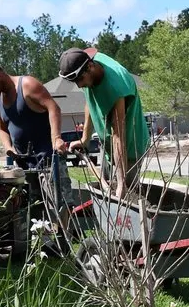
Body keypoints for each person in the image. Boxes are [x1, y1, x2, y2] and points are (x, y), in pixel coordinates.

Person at [0, 61, 72, 227]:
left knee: (59, 205)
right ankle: (41, 244)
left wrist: (56, 137)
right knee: (31, 209)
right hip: (24, 166)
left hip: (48, 159)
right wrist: (8, 148)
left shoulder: (27, 85)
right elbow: (3, 129)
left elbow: (53, 108)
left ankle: (66, 242)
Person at [58, 47, 150, 198]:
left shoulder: (116, 85)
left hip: (130, 147)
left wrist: (121, 184)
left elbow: (118, 135)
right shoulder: (86, 65)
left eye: (80, 80)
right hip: (108, 145)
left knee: (127, 196)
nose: (79, 86)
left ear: (90, 66)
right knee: (106, 189)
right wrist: (84, 139)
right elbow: (89, 101)